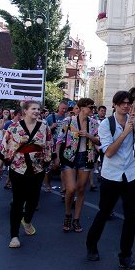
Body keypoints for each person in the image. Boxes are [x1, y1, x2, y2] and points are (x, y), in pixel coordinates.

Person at [85, 91, 135, 270]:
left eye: (129, 103)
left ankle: (125, 256)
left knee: (131, 217)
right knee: (104, 213)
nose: (126, 106)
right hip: (111, 175)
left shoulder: (134, 122)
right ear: (115, 104)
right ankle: (91, 244)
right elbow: (109, 152)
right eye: (122, 103)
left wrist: (134, 127)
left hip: (130, 174)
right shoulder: (106, 124)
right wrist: (124, 133)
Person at [0, 100, 52, 248]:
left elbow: (49, 146)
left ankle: (27, 220)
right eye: (33, 108)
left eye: (38, 109)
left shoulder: (44, 127)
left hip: (37, 169)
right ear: (25, 110)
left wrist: (49, 161)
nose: (37, 111)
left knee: (33, 200)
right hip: (18, 168)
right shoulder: (13, 127)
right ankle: (14, 235)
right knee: (18, 201)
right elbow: (4, 149)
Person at [56, 98, 101, 233]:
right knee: (70, 189)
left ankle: (76, 219)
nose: (92, 110)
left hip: (86, 157)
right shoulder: (68, 121)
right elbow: (59, 140)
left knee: (81, 189)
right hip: (69, 157)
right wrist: (57, 157)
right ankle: (68, 214)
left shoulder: (93, 123)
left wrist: (89, 135)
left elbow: (99, 141)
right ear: (82, 108)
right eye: (90, 107)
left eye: (93, 108)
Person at [45, 101, 69, 194]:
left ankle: (63, 187)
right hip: (52, 145)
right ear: (58, 107)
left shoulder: (67, 118)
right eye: (62, 108)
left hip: (64, 146)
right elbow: (44, 131)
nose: (64, 110)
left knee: (63, 167)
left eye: (65, 108)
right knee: (51, 167)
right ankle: (47, 183)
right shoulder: (51, 117)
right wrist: (51, 127)